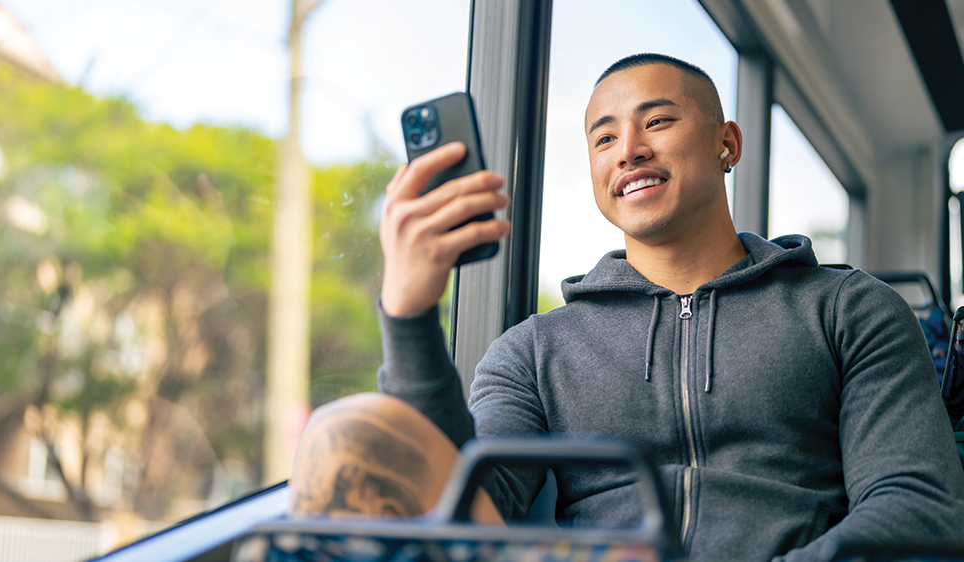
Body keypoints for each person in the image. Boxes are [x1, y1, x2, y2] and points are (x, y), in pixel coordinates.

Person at [289, 54, 964, 560]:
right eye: (604, 139)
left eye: (658, 121)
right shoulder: (533, 351)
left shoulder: (849, 311)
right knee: (345, 434)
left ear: (727, 143)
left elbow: (916, 509)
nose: (630, 151)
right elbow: (466, 512)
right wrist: (409, 314)